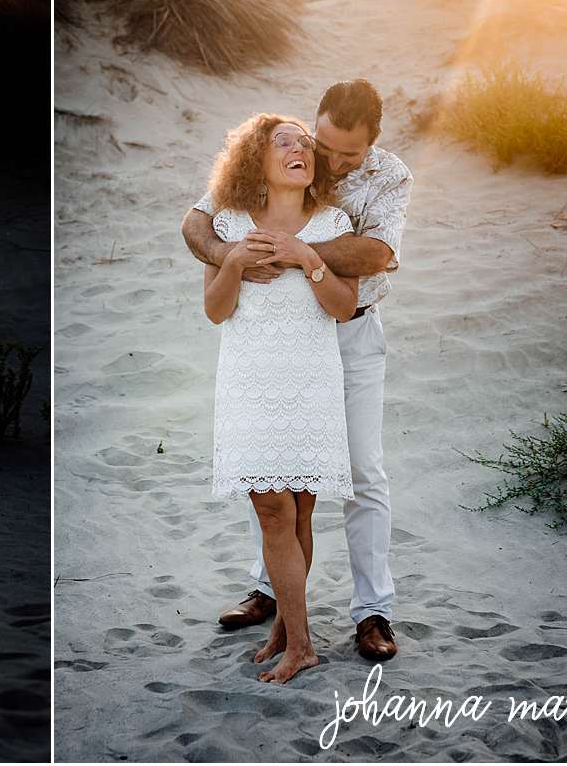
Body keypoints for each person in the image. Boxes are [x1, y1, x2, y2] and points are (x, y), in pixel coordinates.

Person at [181, 79, 410, 662]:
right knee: (278, 486)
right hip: (267, 343)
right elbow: (196, 225)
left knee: (359, 473)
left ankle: (371, 611)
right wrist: (232, 256)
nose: (330, 159)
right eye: (322, 143)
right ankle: (272, 593)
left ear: (373, 143)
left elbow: (374, 254)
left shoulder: (388, 178)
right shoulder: (291, 150)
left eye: (346, 154)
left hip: (348, 332)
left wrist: (295, 254)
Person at [200, 113, 358, 684]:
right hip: (249, 381)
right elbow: (216, 311)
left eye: (303, 143)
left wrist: (308, 259)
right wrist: (234, 263)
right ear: (256, 162)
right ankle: (304, 643)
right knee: (273, 510)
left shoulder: (336, 221)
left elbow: (343, 307)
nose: (298, 149)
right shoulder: (231, 222)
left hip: (310, 379)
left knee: (302, 512)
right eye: (282, 142)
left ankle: (287, 631)